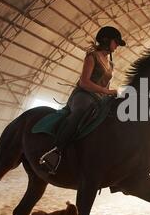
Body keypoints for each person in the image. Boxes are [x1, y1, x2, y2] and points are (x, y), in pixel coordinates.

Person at [40, 26, 126, 174]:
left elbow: (106, 85)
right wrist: (106, 91)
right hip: (83, 96)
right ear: (106, 40)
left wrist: (111, 94)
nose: (117, 45)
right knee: (80, 112)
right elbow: (84, 82)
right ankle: (55, 152)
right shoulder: (92, 57)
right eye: (116, 41)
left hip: (99, 98)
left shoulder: (111, 64)